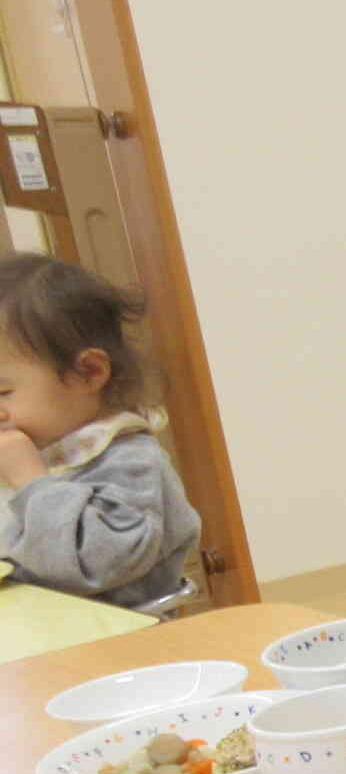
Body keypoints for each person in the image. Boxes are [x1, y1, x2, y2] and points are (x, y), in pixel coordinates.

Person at [0, 254, 200, 610]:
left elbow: (88, 568)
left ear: (88, 372)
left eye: (2, 393)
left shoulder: (130, 461)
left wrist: (32, 482)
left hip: (127, 647)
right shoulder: (35, 447)